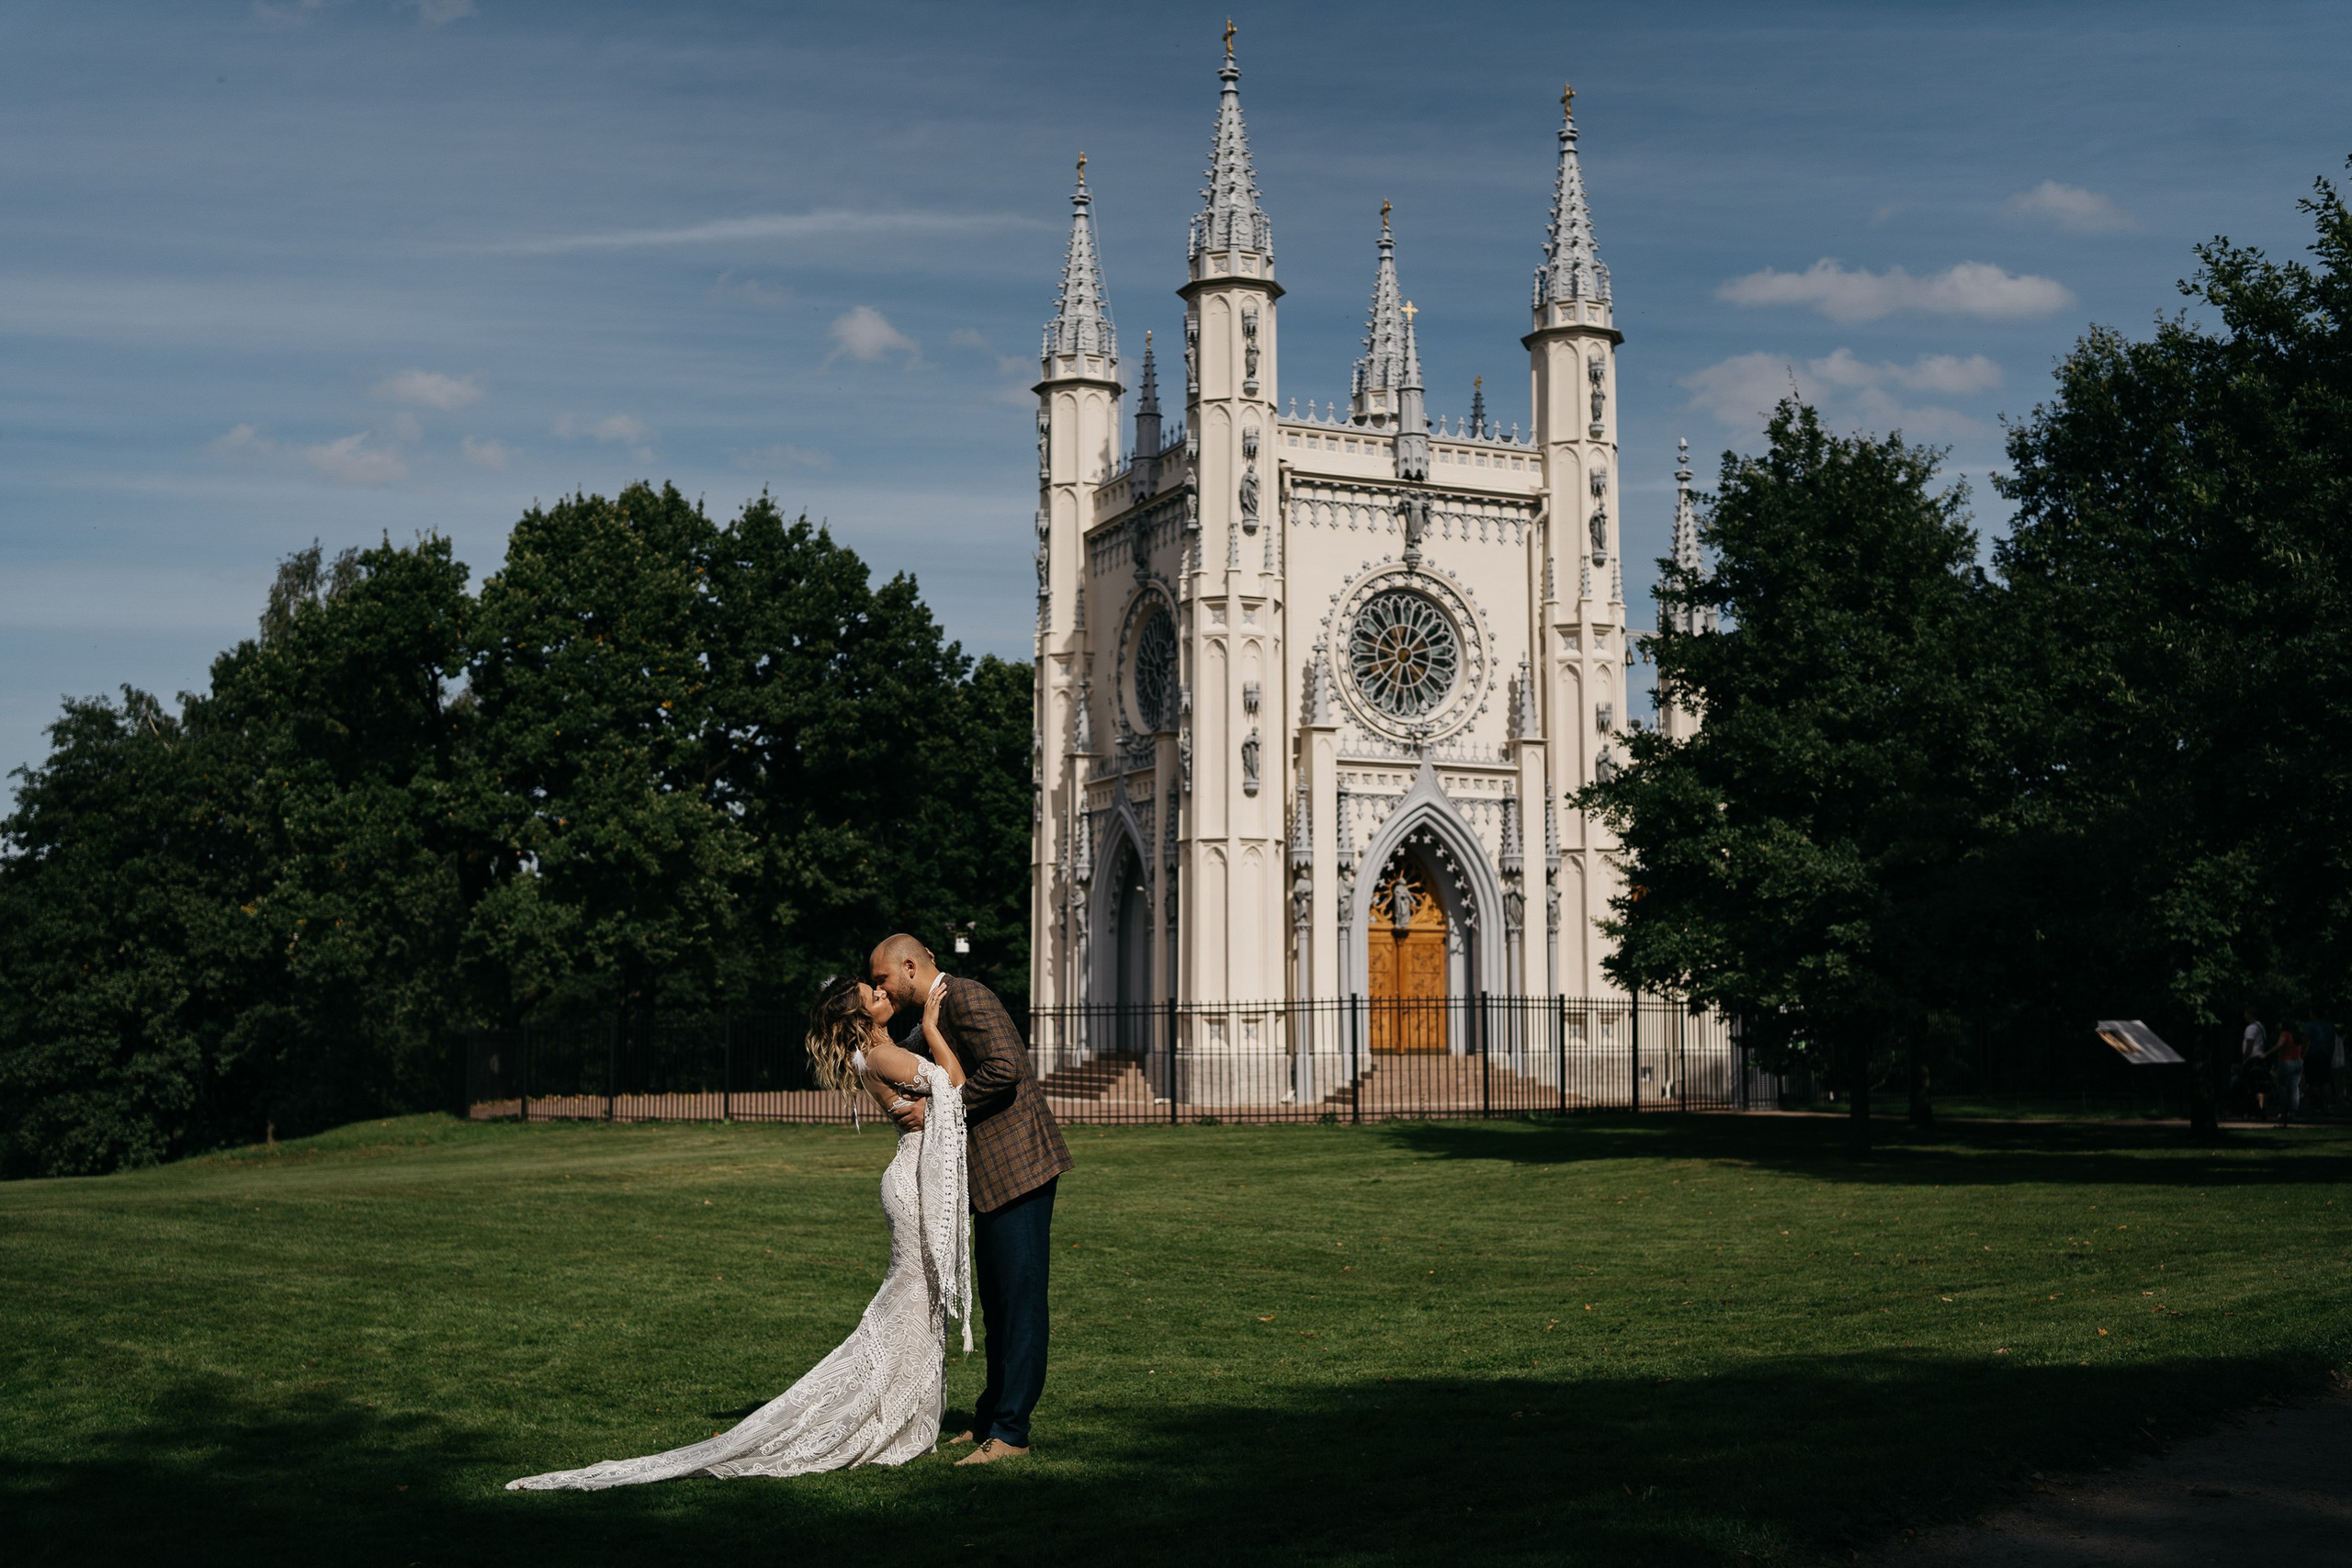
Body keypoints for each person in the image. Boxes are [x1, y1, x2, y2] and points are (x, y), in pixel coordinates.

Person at [506, 976, 971, 1491]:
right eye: (872, 994)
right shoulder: (882, 1056)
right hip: (912, 1183)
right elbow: (955, 1086)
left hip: (911, 1177)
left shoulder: (875, 1054)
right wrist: (933, 1029)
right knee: (909, 1306)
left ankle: (901, 1416)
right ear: (860, 1017)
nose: (883, 994)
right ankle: (876, 1418)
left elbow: (935, 1100)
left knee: (916, 1307)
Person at [870, 932, 1072, 1467]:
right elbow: (893, 1062)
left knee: (1020, 1302)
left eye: (881, 978)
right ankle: (989, 1419)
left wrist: (942, 1109)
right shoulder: (929, 1018)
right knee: (998, 1306)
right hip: (988, 1178)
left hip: (1020, 1168)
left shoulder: (967, 995)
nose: (879, 987)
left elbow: (1006, 1068)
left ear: (909, 967)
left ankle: (1011, 1433)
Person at [2275, 1021, 2304, 1120]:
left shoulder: (2285, 1034)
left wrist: (2267, 1053)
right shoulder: (2297, 1036)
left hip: (2286, 1062)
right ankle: (2293, 1111)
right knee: (2294, 1087)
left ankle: (2284, 1110)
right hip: (2298, 1062)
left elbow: (2280, 1045)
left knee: (2283, 1087)